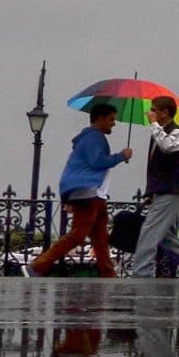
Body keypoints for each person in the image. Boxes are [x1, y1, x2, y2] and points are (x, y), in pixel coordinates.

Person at [31, 101, 133, 277]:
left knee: (100, 237)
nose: (113, 124)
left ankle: (107, 273)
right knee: (78, 235)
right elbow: (97, 162)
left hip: (96, 194)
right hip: (89, 192)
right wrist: (120, 156)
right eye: (111, 119)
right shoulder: (95, 137)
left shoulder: (89, 138)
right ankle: (38, 265)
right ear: (100, 119)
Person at [126, 96, 179, 279]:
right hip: (162, 191)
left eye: (154, 110)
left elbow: (167, 147)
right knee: (164, 235)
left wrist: (154, 125)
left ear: (165, 112)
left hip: (171, 190)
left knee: (149, 230)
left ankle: (142, 272)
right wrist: (151, 191)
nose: (150, 113)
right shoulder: (160, 133)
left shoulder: (177, 133)